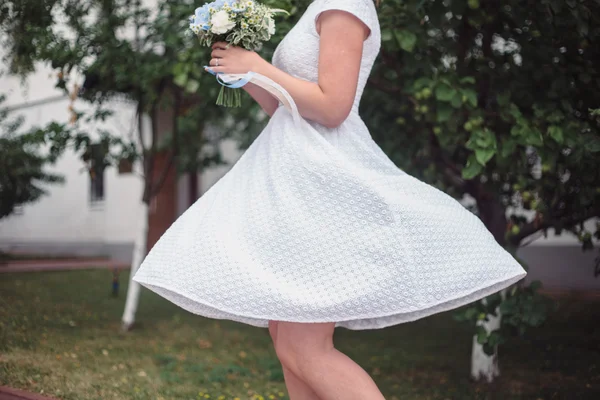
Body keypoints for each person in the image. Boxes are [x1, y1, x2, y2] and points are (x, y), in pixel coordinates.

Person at [133, 0, 527, 399]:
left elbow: (334, 106)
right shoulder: (318, 5)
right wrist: (244, 75)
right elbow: (285, 110)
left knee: (303, 345)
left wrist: (258, 65)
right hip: (293, 181)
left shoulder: (345, 3)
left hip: (322, 180)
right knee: (286, 339)